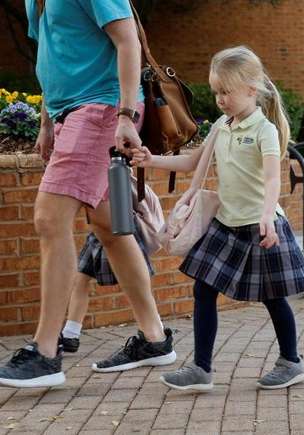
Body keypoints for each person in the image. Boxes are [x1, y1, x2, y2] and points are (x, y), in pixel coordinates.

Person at [0, 0, 174, 389]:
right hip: (69, 114)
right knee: (108, 226)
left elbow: (127, 39)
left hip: (101, 108)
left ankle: (46, 353)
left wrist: (126, 116)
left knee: (49, 218)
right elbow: (51, 56)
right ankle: (155, 338)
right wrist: (46, 121)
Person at [131, 46, 304, 391]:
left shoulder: (265, 131)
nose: (219, 99)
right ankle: (201, 369)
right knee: (203, 288)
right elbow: (191, 163)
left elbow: (274, 178)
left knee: (273, 296)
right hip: (227, 224)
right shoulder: (221, 126)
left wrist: (266, 215)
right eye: (216, 91)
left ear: (251, 88)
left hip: (261, 225)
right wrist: (150, 161)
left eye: (225, 92)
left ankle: (291, 362)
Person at [60, 229, 155, 354]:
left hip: (123, 228)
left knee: (137, 282)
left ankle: (155, 331)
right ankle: (70, 335)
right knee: (80, 277)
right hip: (99, 230)